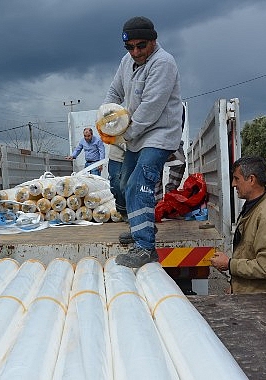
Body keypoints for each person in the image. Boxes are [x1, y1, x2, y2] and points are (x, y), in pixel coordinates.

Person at [103, 16, 183, 267]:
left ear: (153, 40)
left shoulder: (164, 63)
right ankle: (141, 226)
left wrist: (124, 133)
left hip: (159, 134)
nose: (136, 52)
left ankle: (145, 247)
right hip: (136, 136)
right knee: (124, 183)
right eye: (130, 47)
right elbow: (114, 92)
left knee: (140, 182)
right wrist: (108, 116)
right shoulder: (127, 62)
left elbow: (151, 107)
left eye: (141, 46)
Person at [210, 156, 266, 293]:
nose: (233, 184)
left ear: (251, 179)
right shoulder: (253, 207)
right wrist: (235, 287)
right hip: (249, 293)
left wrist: (229, 264)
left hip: (260, 300)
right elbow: (246, 251)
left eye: (237, 179)